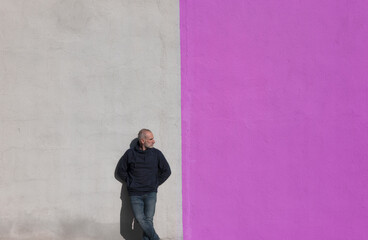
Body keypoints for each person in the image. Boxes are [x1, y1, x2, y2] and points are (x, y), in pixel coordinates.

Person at [115, 129, 171, 240]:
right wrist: (131, 182)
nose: (154, 141)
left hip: (150, 193)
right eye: (150, 139)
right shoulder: (130, 154)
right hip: (135, 194)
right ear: (142, 141)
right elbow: (120, 171)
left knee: (148, 220)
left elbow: (167, 171)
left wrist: (155, 184)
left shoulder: (156, 154)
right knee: (140, 219)